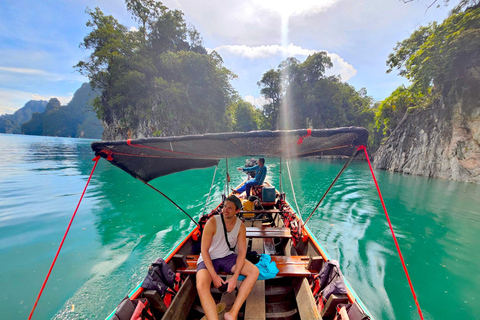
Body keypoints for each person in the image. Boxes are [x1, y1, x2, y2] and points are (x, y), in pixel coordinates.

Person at [196, 195, 259, 320]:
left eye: (230, 208)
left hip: (227, 257)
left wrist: (235, 278)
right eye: (224, 206)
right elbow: (204, 250)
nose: (225, 210)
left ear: (237, 211)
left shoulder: (240, 226)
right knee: (201, 286)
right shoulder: (213, 222)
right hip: (209, 258)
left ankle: (232, 313)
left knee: (254, 271)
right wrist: (214, 276)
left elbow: (242, 253)